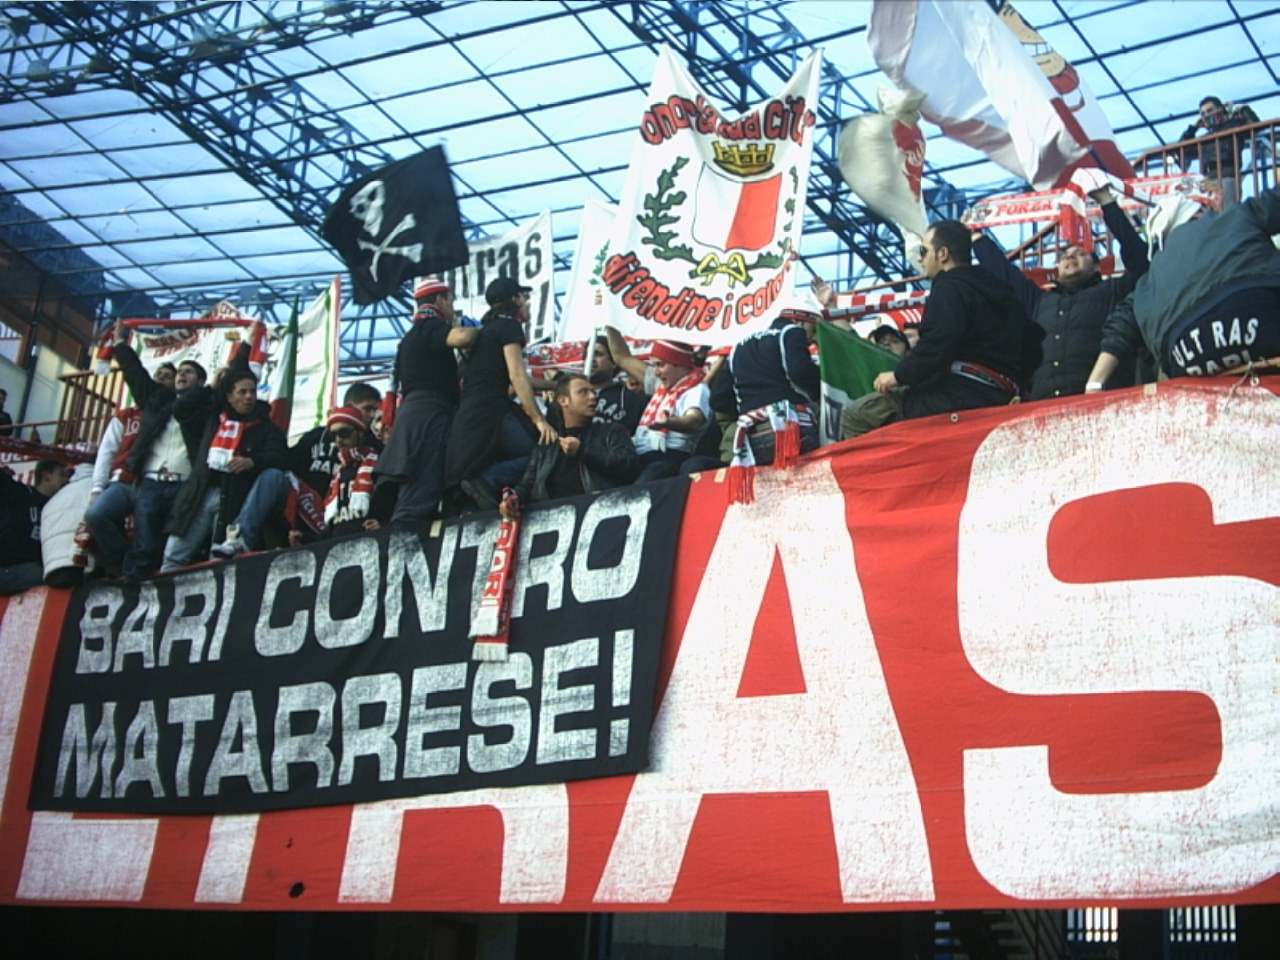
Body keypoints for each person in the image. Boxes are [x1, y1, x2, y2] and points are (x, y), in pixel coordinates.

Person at [839, 220, 1026, 438]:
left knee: (856, 414)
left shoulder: (948, 285)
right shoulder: (1001, 289)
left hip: (956, 396)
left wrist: (898, 375)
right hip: (1003, 395)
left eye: (923, 250)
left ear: (943, 254)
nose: (920, 258)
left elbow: (938, 343)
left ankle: (893, 473)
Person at [972, 171, 1150, 400]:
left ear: (1097, 268)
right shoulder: (1039, 300)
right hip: (1041, 406)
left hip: (1100, 402)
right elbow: (1005, 274)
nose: (1070, 257)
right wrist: (977, 240)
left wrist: (1107, 202)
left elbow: (1140, 262)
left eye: (1080, 254)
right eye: (1064, 255)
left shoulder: (1113, 290)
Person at [1086, 188, 1280, 388]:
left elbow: (1121, 323)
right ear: (1197, 214)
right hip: (1261, 317)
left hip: (1187, 356)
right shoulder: (1235, 216)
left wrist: (1094, 383)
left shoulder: (1151, 276)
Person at [84, 322, 202, 579]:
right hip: (149, 482)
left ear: (202, 381)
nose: (181, 374)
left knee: (164, 546)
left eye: (188, 371)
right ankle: (125, 578)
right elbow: (135, 374)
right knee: (143, 545)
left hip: (184, 484)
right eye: (179, 370)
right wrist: (120, 345)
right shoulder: (156, 402)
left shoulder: (205, 408)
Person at [161, 360, 287, 569]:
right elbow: (180, 409)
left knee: (219, 562)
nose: (249, 397)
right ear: (229, 396)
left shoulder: (267, 427)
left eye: (252, 392)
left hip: (234, 498)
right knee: (173, 557)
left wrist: (253, 462)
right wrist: (210, 386)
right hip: (200, 495)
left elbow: (280, 458)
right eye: (242, 392)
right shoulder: (212, 419)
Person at [445, 276, 557, 508]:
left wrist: (558, 386)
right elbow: (517, 376)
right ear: (515, 299)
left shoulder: (489, 329)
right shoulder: (509, 326)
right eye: (525, 298)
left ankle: (490, 486)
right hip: (492, 411)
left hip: (474, 413)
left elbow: (521, 378)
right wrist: (539, 420)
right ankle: (487, 481)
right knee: (541, 455)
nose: (527, 303)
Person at [376, 276, 479, 527]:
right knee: (421, 490)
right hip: (428, 416)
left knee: (417, 488)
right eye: (451, 301)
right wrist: (482, 330)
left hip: (414, 416)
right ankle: (402, 546)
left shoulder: (411, 336)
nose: (452, 308)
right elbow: (463, 338)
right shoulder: (430, 326)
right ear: (441, 300)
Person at [506, 373, 638, 508]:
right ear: (563, 401)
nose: (593, 397)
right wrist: (512, 500)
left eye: (593, 392)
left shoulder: (612, 431)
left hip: (599, 512)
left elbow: (628, 466)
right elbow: (527, 485)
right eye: (583, 392)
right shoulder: (547, 443)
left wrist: (582, 451)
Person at [715, 310, 822, 470]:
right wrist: (818, 389)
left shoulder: (738, 346)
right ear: (799, 321)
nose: (811, 338)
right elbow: (800, 372)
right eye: (813, 329)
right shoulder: (791, 332)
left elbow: (718, 399)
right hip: (790, 429)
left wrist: (749, 410)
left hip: (749, 438)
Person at [604, 330, 711, 481]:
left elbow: (694, 419)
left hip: (667, 458)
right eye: (654, 366)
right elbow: (621, 357)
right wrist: (610, 322)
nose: (656, 372)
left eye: (660, 365)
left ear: (679, 364)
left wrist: (669, 423)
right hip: (639, 456)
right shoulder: (661, 385)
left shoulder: (697, 389)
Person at [317, 405, 387, 539]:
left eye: (344, 433)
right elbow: (331, 526)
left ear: (360, 432)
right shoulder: (336, 476)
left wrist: (384, 525)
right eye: (333, 435)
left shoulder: (378, 463)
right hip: (338, 550)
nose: (338, 440)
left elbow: (391, 504)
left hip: (370, 544)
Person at [0, 460, 69, 594]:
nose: (66, 480)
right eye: (62, 475)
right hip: (7, 567)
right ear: (46, 476)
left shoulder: (62, 506)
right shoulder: (21, 493)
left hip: (30, 568)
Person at [1179, 96, 1261, 207]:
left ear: (1220, 109)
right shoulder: (1205, 138)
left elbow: (1255, 126)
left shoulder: (1234, 125)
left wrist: (1242, 108)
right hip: (1207, 179)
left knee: (1227, 213)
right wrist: (1193, 127)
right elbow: (1182, 150)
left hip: (1227, 174)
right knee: (1209, 218)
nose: (1206, 115)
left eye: (1210, 111)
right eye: (1203, 114)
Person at [589, 335, 645, 433]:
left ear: (614, 362)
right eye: (588, 354)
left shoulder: (629, 397)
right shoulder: (571, 394)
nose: (591, 359)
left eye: (598, 354)